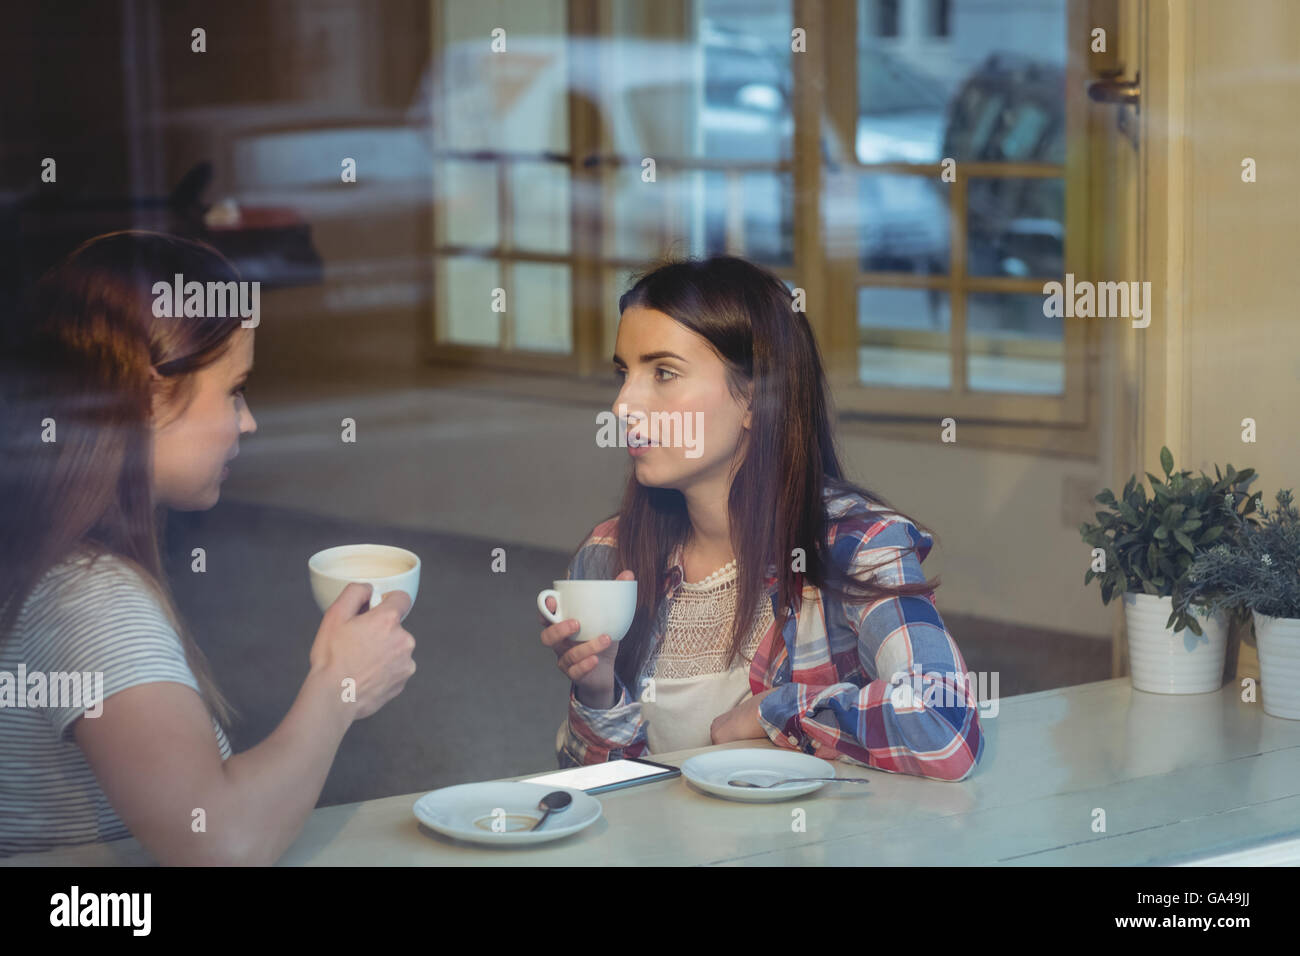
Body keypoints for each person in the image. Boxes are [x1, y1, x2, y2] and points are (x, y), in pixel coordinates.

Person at [0, 231, 416, 862]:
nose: (247, 421)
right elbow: (218, 843)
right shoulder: (90, 598)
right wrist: (338, 687)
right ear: (147, 397)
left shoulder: (52, 556)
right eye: (233, 389)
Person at [540, 256, 984, 780]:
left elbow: (944, 724)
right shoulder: (607, 554)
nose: (622, 405)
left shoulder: (858, 544)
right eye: (624, 372)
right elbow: (601, 791)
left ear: (754, 398)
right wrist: (598, 690)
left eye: (663, 373)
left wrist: (775, 710)